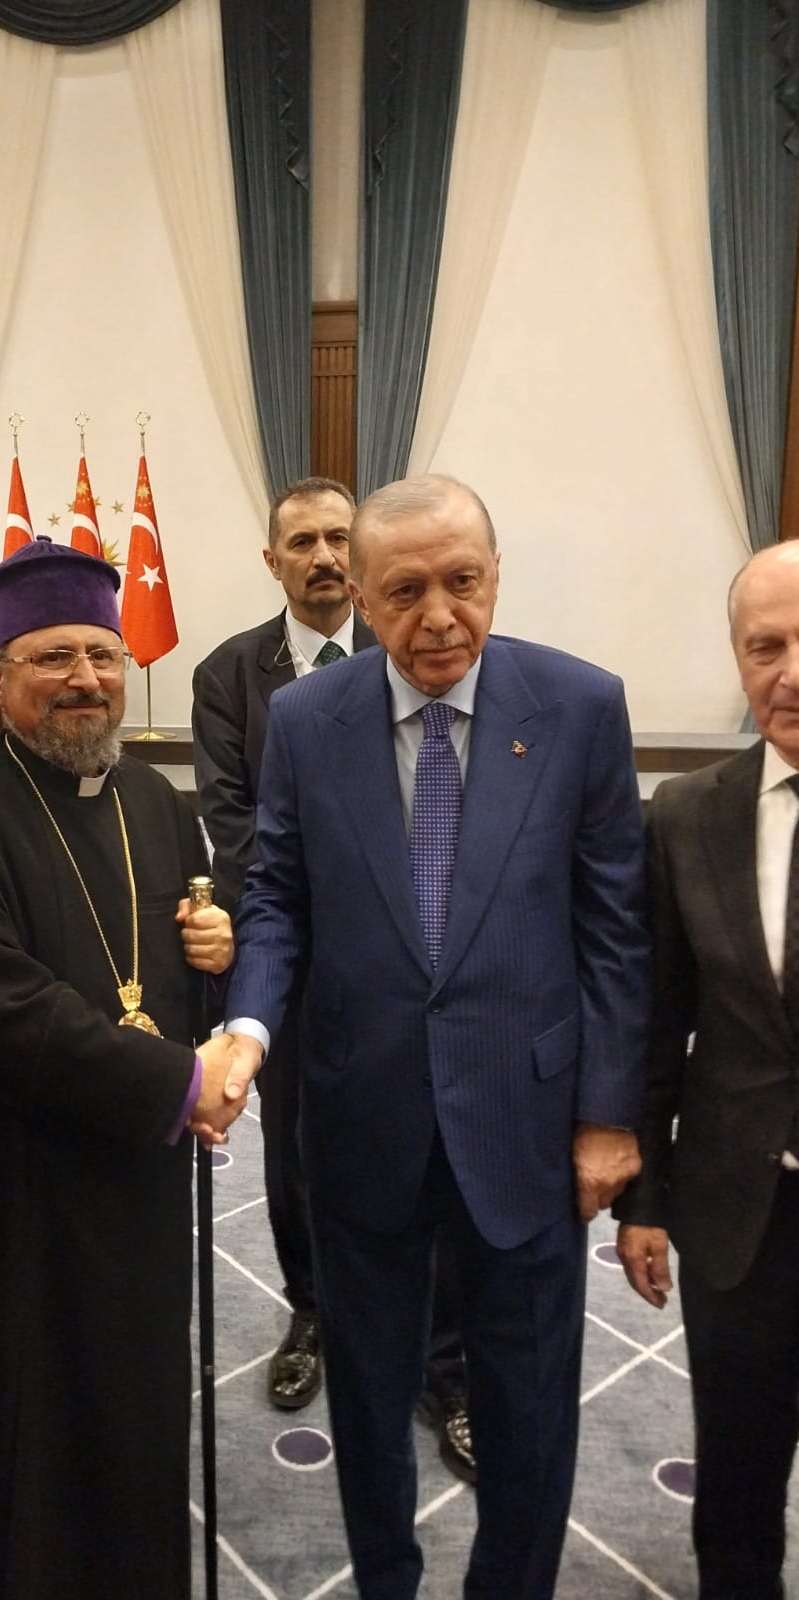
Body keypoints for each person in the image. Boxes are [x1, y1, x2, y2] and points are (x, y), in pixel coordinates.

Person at [219, 474, 650, 1599]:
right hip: (361, 1114)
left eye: (463, 581)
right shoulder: (307, 721)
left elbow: (615, 931)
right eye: (405, 591)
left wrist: (610, 1115)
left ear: (496, 575)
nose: (440, 615)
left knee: (530, 1399)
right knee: (368, 1396)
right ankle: (387, 1581)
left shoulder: (581, 706)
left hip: (528, 1118)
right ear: (360, 597)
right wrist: (250, 1027)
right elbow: (277, 898)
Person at [0, 537, 246, 1598]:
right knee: (17, 1451)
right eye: (52, 658)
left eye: (103, 655)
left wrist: (218, 959)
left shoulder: (158, 804)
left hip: (135, 1182)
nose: (86, 679)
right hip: (7, 1203)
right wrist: (180, 1083)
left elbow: (172, 973)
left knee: (131, 1418)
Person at [191, 475, 474, 1476]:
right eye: (301, 542)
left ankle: (446, 1363)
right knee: (301, 1153)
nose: (321, 556)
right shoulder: (229, 674)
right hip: (298, 970)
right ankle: (311, 1308)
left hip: (422, 970)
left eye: (336, 539)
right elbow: (235, 827)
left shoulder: (409, 650)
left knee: (443, 1153)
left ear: (360, 559)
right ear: (273, 561)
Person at [615, 540, 799, 1599]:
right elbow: (657, 1023)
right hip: (737, 1207)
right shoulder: (685, 816)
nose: (789, 673)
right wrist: (644, 1200)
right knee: (736, 1460)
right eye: (765, 648)